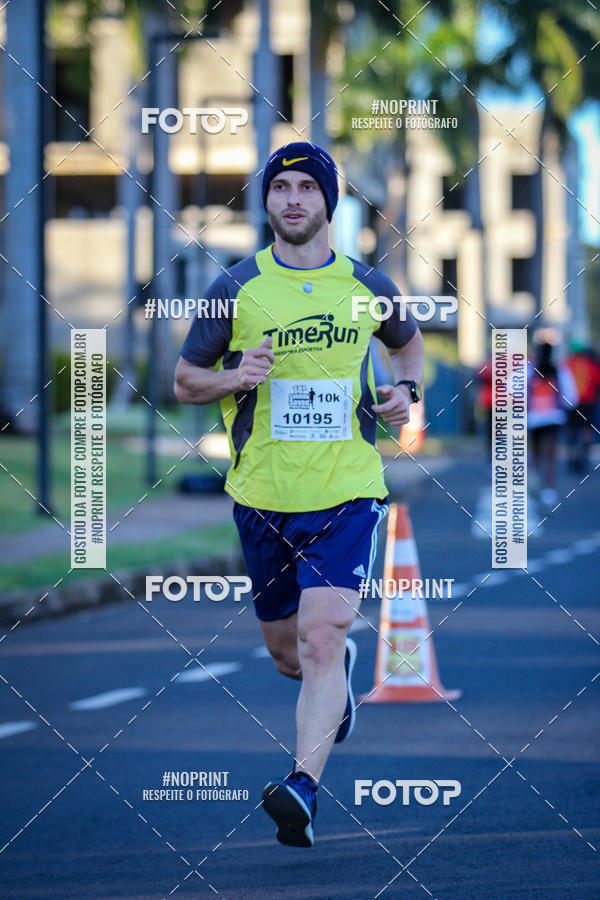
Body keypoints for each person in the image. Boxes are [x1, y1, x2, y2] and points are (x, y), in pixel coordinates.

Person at [174, 142, 424, 847]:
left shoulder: (369, 284)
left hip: (348, 492)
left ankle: (303, 789)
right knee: (290, 654)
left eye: (306, 188)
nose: (292, 199)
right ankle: (335, 678)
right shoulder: (235, 288)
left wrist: (406, 390)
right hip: (262, 496)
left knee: (321, 636)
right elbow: (185, 382)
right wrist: (236, 377)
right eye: (280, 188)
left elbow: (408, 345)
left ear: (328, 202)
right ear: (266, 202)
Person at [527, 341, 578, 508]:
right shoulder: (560, 371)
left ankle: (533, 482)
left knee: (535, 453)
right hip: (553, 417)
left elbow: (512, 389)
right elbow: (571, 397)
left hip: (534, 418)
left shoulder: (529, 370)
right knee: (550, 456)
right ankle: (548, 491)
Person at [564, 342, 600, 472]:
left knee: (571, 430)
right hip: (588, 402)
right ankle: (584, 456)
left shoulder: (567, 364)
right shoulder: (591, 365)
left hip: (571, 402)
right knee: (587, 430)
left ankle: (571, 457)